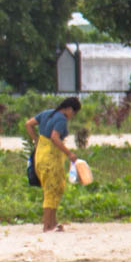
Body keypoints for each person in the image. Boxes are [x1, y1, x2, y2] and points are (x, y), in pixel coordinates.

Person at [24, 97, 81, 232]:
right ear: (69, 109)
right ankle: (47, 226)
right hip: (51, 158)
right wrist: (70, 154)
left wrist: (36, 140)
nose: (72, 116)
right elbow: (55, 137)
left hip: (40, 156)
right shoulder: (61, 119)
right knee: (51, 191)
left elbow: (28, 124)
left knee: (54, 188)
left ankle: (53, 223)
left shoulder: (47, 113)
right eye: (74, 113)